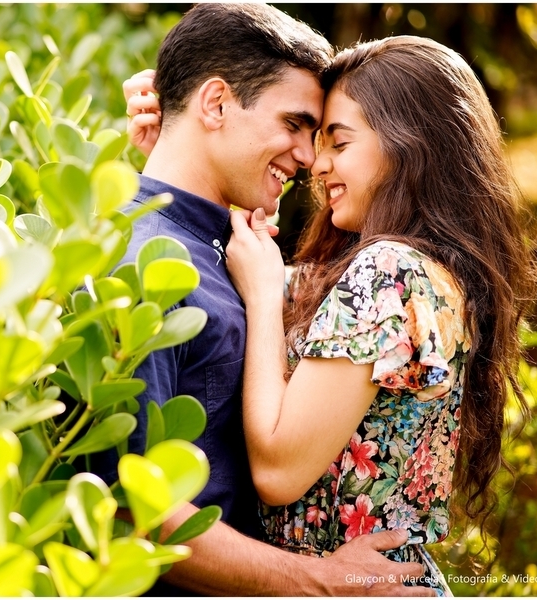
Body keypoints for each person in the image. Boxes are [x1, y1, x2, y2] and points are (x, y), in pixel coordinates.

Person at [126, 35, 537, 595]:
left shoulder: (390, 271)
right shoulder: (415, 270)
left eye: (337, 143)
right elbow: (235, 269)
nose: (316, 166)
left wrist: (267, 291)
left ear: (407, 145)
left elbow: (276, 471)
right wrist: (177, 154)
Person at [101, 3, 433, 596]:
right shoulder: (145, 267)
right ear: (217, 103)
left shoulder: (226, 249)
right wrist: (319, 581)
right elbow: (136, 513)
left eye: (319, 135)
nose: (308, 157)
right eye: (294, 125)